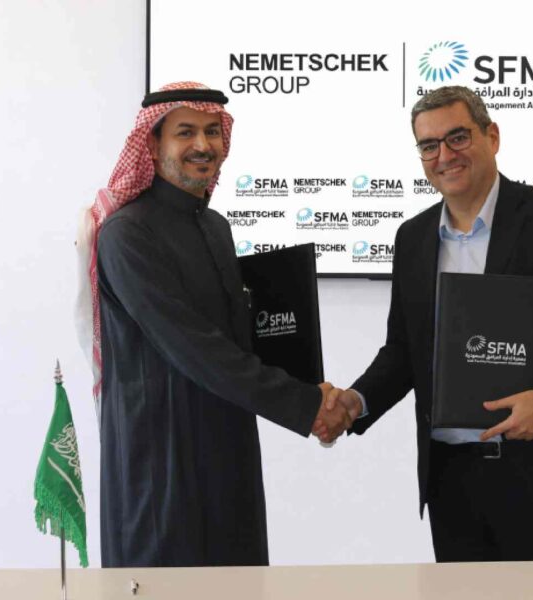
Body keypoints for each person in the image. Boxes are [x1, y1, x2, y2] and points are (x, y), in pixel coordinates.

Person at [324, 86, 533, 562]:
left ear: (491, 136)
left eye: (457, 137)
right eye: (428, 146)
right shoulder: (412, 238)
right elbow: (405, 351)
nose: (444, 156)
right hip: (455, 486)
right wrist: (355, 401)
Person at [75, 82, 351, 567]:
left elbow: (239, 342)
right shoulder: (126, 236)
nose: (203, 146)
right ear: (153, 144)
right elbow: (195, 347)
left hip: (228, 446)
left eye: (211, 131)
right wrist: (308, 406)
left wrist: (308, 387)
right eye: (185, 133)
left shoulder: (216, 226)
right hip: (160, 461)